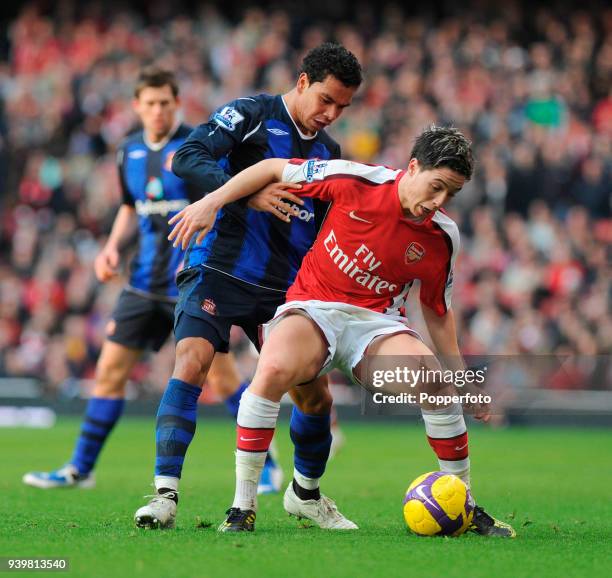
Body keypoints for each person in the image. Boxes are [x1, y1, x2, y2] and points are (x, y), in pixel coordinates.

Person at [169, 125, 516, 537]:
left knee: (436, 386)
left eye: (450, 194)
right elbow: (271, 167)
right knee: (273, 368)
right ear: (413, 167)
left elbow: (437, 311)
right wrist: (212, 200)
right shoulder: (356, 180)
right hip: (314, 308)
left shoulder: (443, 237)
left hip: (376, 326)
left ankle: (466, 505)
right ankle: (242, 506)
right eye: (436, 186)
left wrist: (462, 380)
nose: (439, 202)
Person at [133, 43, 363, 530]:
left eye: (342, 107)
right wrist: (245, 192)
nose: (331, 113)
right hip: (218, 266)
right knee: (192, 362)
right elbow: (187, 156)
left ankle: (306, 493)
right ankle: (164, 496)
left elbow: (321, 228)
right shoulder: (252, 114)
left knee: (315, 399)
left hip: (284, 290)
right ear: (302, 82)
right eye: (325, 99)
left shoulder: (330, 154)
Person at [22, 67, 254, 490]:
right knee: (109, 371)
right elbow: (131, 207)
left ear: (177, 103)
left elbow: (221, 203)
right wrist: (112, 246)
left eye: (165, 102)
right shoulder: (127, 151)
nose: (158, 111)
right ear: (137, 106)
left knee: (221, 380)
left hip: (190, 283)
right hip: (142, 282)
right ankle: (80, 468)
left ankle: (267, 464)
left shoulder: (196, 148)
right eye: (149, 103)